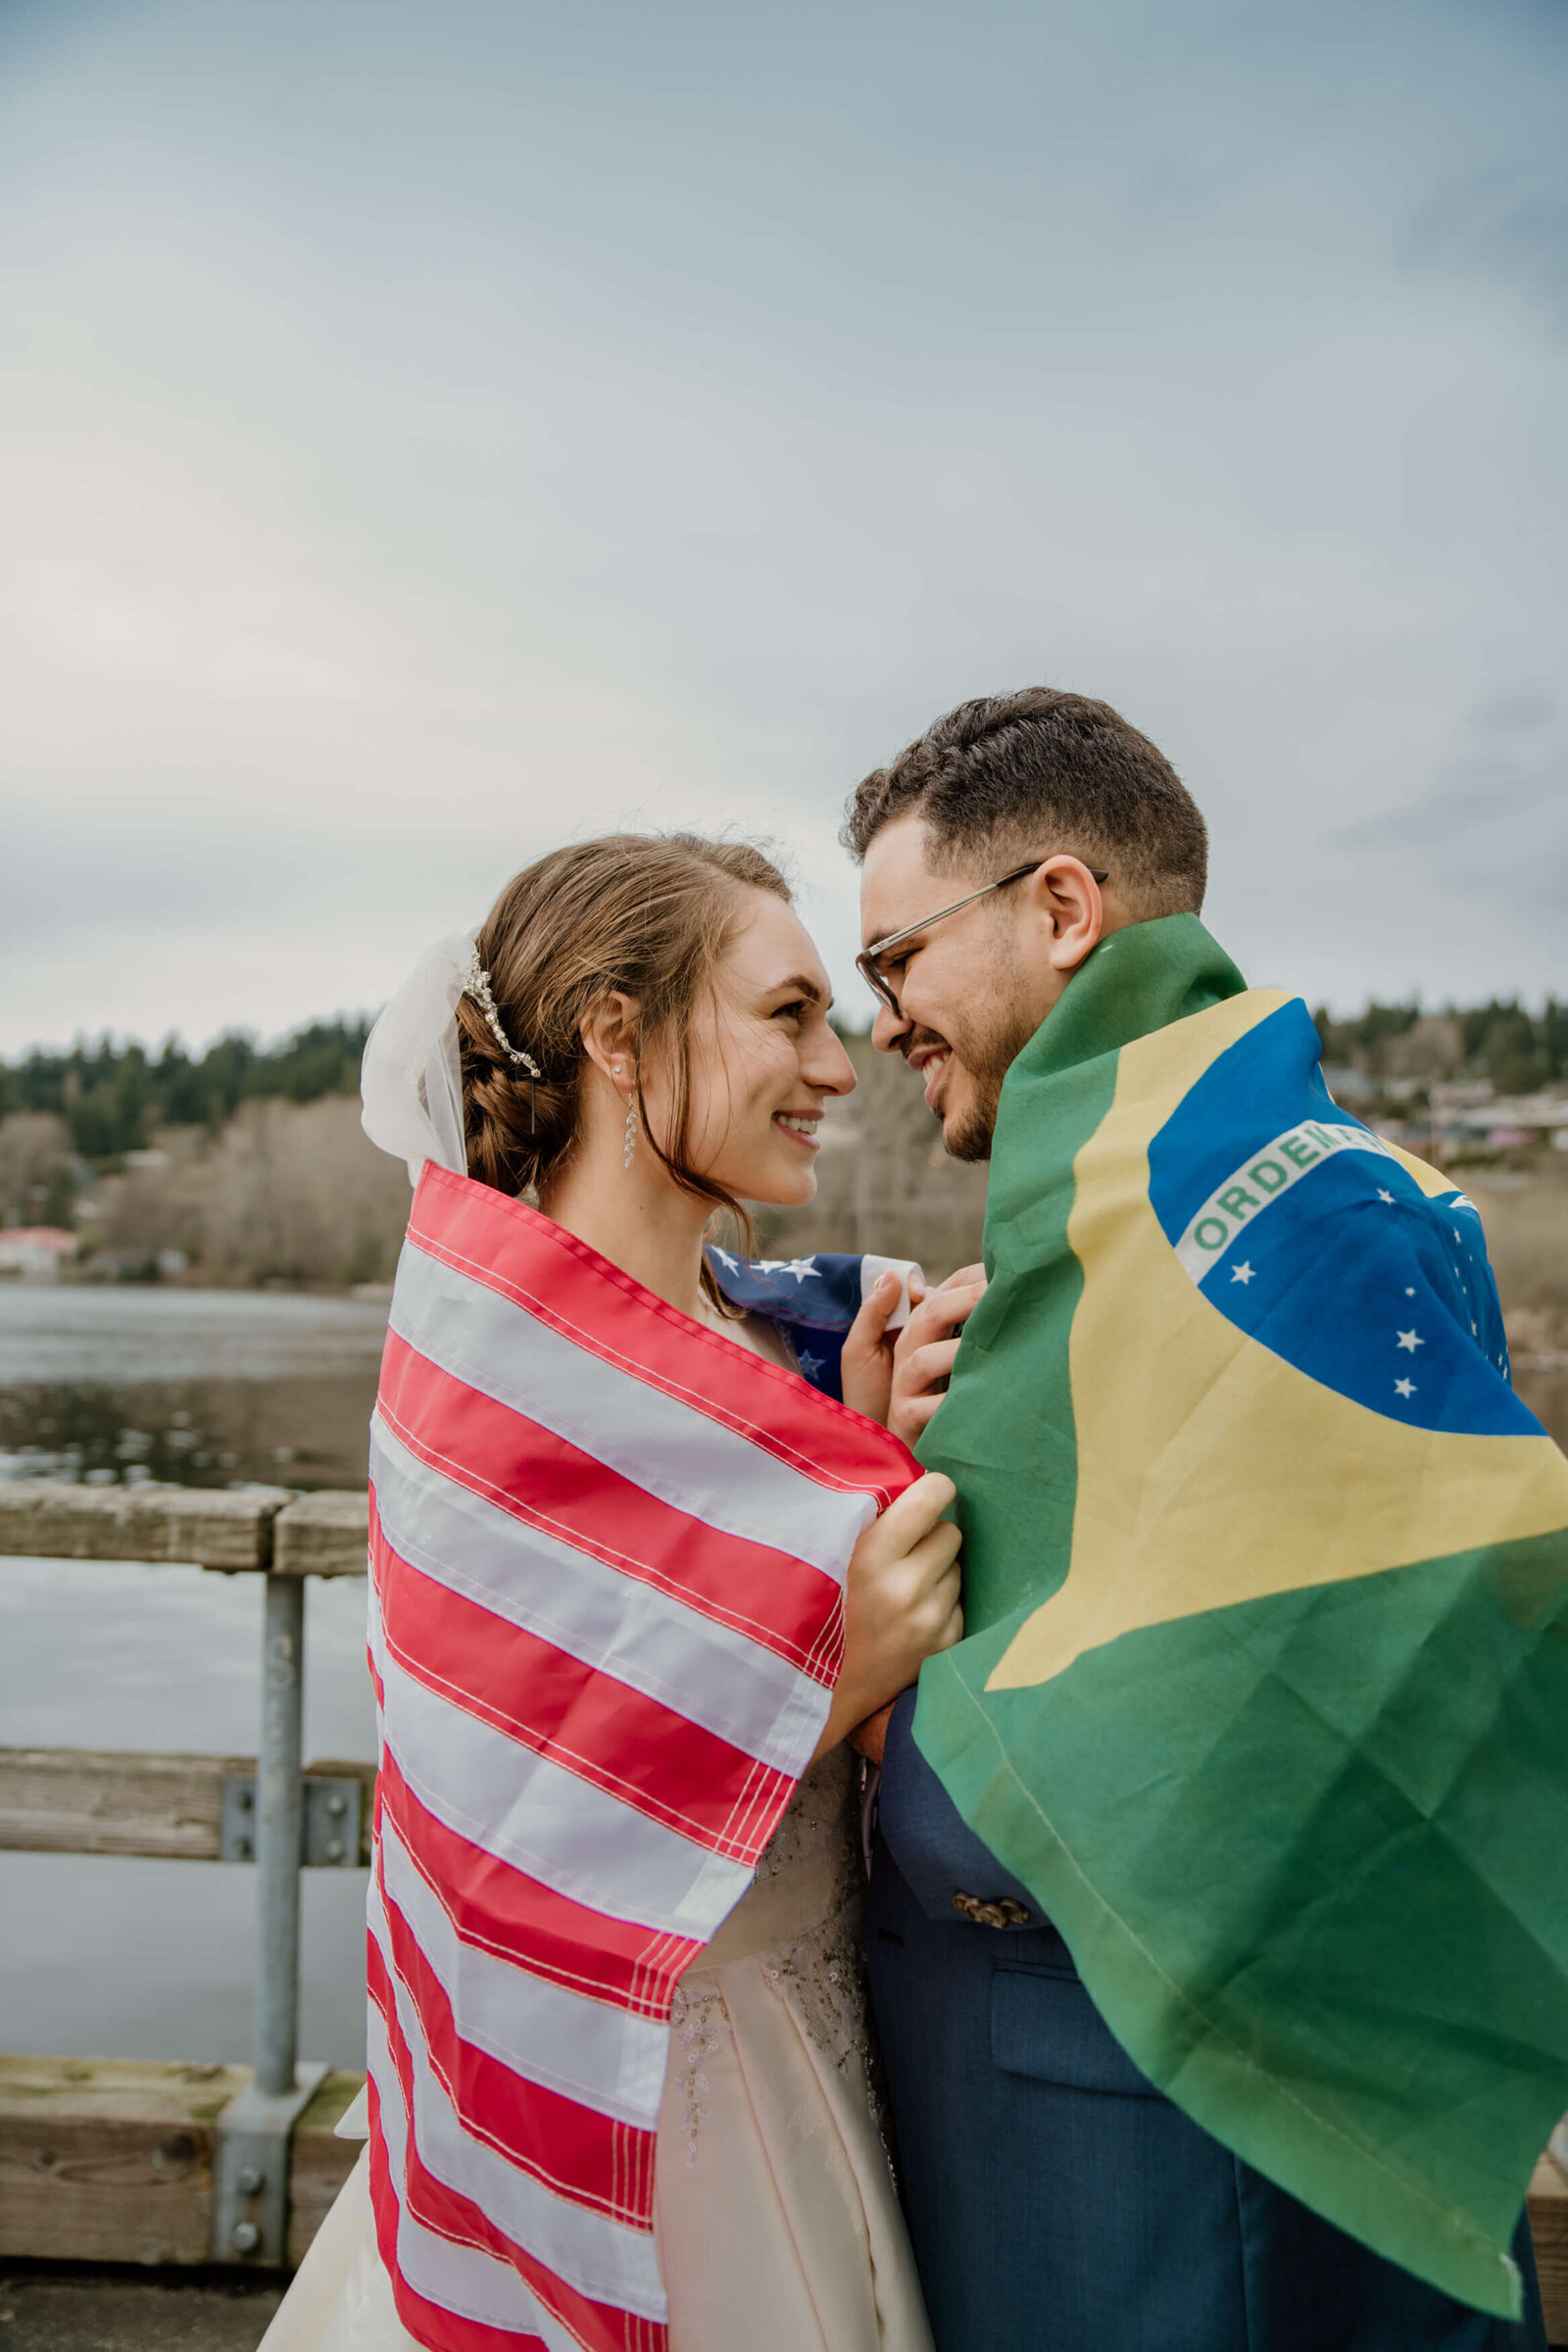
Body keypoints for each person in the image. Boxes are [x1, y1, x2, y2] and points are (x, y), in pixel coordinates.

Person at [844, 690, 1563, 2352]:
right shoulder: (1094, 1234)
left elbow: (1427, 1599)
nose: (884, 1023)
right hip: (1044, 2065)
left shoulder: (1296, 1215)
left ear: (1063, 908)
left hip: (1156, 2096)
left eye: (898, 962)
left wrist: (895, 1715)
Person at [262, 833, 960, 2352]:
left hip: (822, 2086)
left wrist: (856, 1457)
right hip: (639, 2128)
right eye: (787, 1015)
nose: (840, 1071)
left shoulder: (792, 1353)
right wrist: (837, 1670)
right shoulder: (483, 1388)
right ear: (616, 1035)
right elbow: (509, 1836)